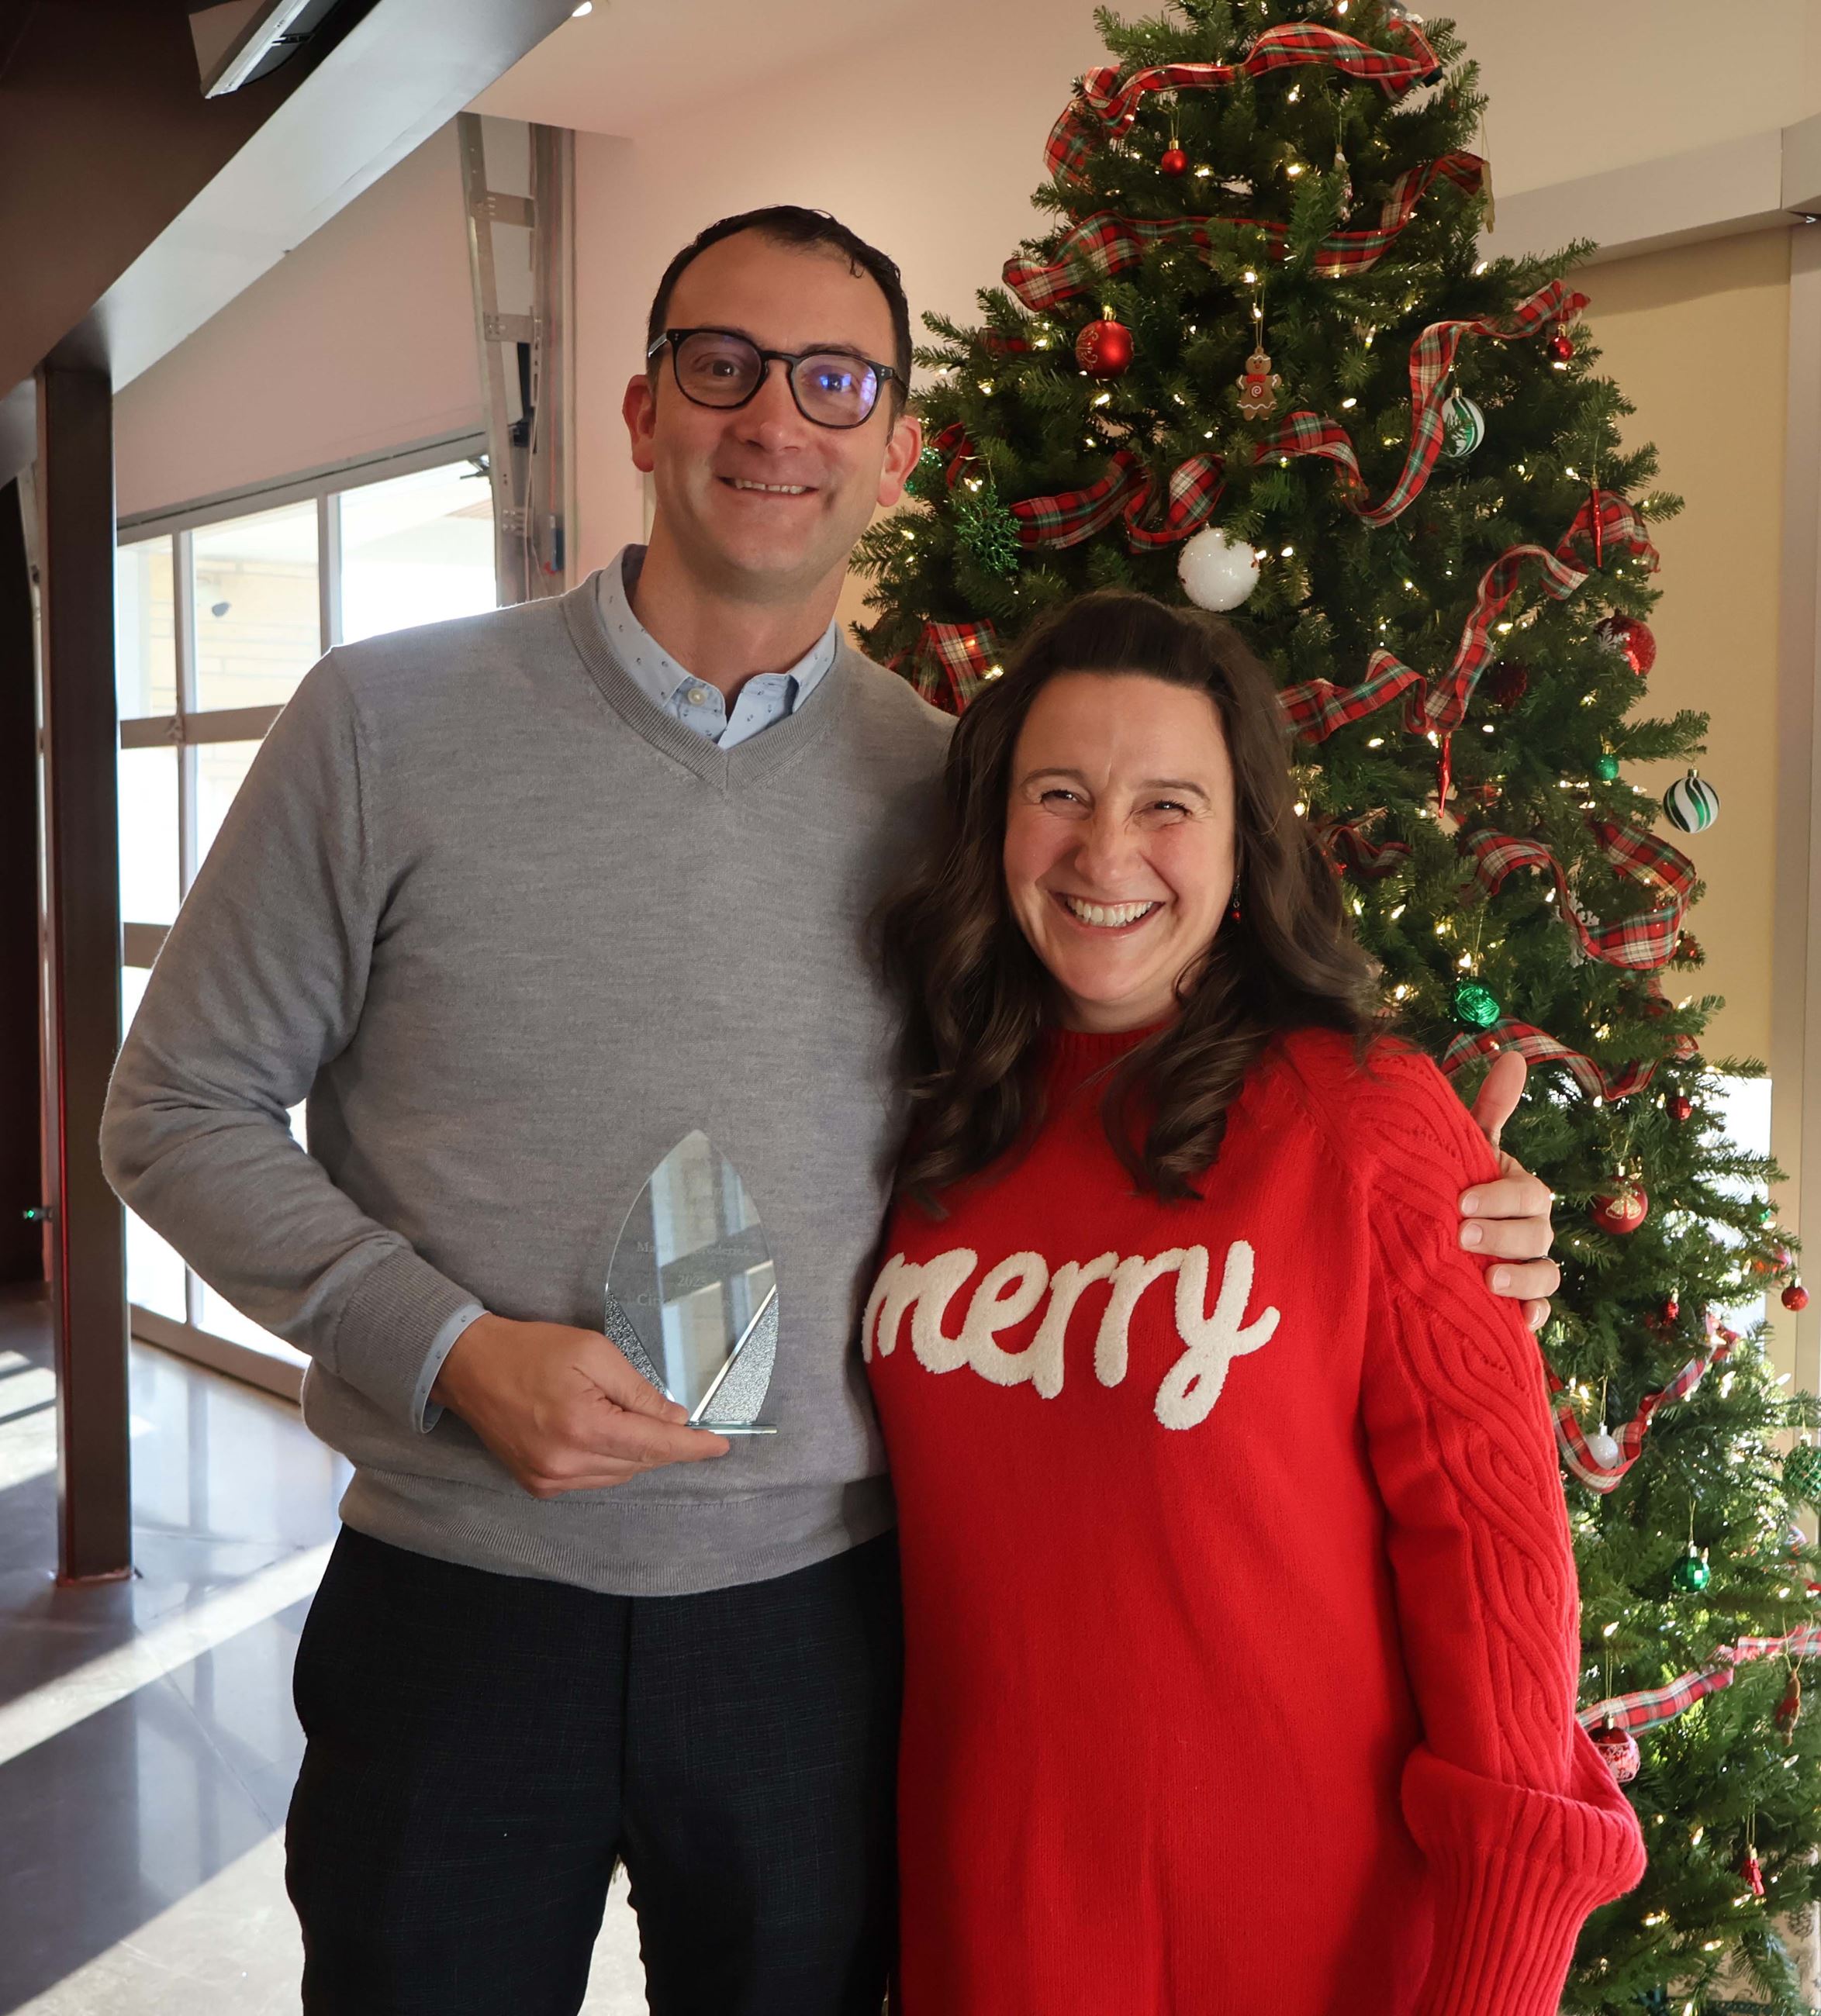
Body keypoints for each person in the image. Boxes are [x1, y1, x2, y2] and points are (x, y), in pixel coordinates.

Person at [100, 208, 1560, 2016]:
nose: (773, 418)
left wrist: (1438, 1208)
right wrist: (450, 1345)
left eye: (833, 379)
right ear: (640, 409)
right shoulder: (383, 725)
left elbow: (1137, 1057)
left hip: (823, 1632)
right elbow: (175, 1107)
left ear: (895, 445)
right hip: (458, 1598)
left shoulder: (961, 788)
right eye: (721, 365)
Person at [866, 590, 1643, 2016]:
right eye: (1060, 794)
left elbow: (1494, 1569)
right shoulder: (937, 1119)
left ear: (1241, 850)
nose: (1108, 851)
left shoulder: (1361, 1119)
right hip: (990, 1931)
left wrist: (1499, 1974)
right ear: (996, 828)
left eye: (1169, 803)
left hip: (1305, 1947)